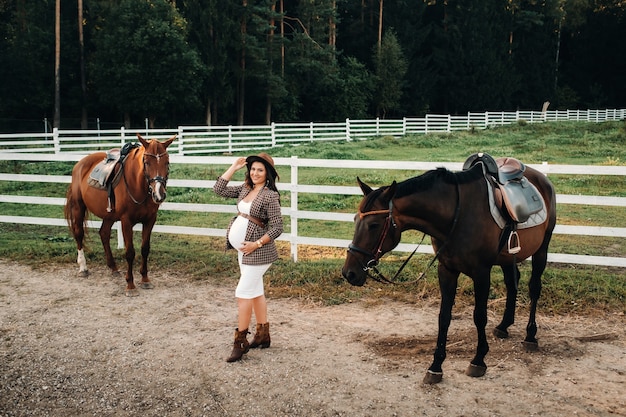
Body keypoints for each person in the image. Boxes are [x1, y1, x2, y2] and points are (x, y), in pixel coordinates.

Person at [213, 153, 283, 363]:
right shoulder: (245, 188)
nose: (255, 173)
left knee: (243, 293)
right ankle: (262, 336)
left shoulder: (270, 196)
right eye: (253, 169)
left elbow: (278, 227)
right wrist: (233, 167)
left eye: (260, 170)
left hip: (258, 253)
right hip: (244, 252)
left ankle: (240, 342)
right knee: (255, 293)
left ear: (267, 173)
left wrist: (256, 243)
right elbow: (218, 189)